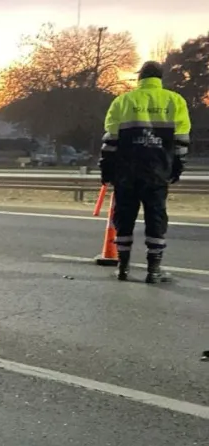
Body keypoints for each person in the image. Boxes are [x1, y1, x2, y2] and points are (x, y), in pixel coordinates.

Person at [99, 61, 191, 283]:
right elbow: (181, 141)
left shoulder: (123, 101)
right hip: (157, 171)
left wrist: (107, 169)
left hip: (126, 171)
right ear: (160, 78)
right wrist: (177, 166)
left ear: (140, 77)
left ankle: (123, 268)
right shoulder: (174, 101)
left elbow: (110, 140)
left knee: (124, 216)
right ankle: (154, 270)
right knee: (156, 216)